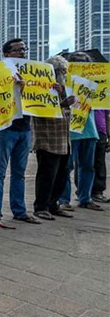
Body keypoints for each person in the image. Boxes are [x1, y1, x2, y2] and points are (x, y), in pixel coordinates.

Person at [0, 39, 38, 225]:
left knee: (19, 172)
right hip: (5, 128)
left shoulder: (33, 73)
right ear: (6, 54)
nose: (23, 53)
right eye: (17, 50)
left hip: (25, 128)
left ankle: (19, 210)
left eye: (24, 49)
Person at [31, 56, 76, 220]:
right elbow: (41, 109)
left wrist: (65, 100)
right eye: (62, 71)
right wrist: (63, 103)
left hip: (63, 139)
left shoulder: (64, 88)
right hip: (48, 138)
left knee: (62, 174)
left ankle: (53, 204)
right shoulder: (41, 86)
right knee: (47, 174)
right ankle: (41, 206)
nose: (64, 74)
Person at [59, 52, 104, 211]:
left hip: (89, 128)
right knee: (67, 166)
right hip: (70, 130)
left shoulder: (96, 83)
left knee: (88, 166)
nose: (80, 66)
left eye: (84, 63)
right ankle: (63, 199)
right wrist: (64, 102)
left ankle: (85, 198)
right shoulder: (62, 83)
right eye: (76, 63)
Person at [92, 109, 110, 203]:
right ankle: (84, 191)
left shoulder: (103, 97)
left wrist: (108, 135)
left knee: (99, 161)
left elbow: (107, 116)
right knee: (85, 163)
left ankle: (97, 191)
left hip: (101, 131)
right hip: (86, 130)